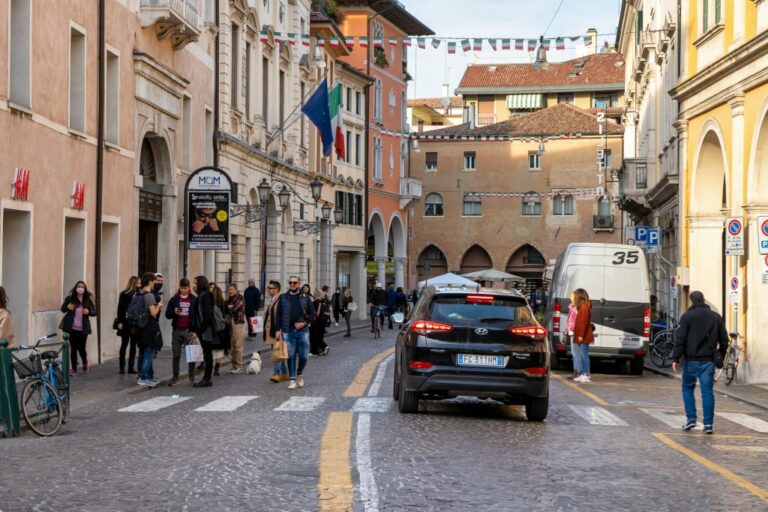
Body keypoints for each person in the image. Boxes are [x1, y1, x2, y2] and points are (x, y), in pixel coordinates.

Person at [672, 291, 728, 434]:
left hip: (691, 361)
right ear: (704, 300)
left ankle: (691, 419)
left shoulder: (687, 317)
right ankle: (708, 425)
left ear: (692, 301)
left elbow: (681, 339)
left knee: (687, 389)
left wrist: (675, 358)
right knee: (707, 392)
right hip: (708, 361)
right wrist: (720, 355)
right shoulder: (716, 317)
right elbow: (724, 340)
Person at [275, 276, 315, 390]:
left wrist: (304, 323)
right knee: (291, 355)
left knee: (303, 356)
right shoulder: (283, 297)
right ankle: (292, 379)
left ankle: (300, 373)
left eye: (295, 283)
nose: (292, 284)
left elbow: (312, 314)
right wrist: (278, 330)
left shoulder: (305, 297)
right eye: (290, 282)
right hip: (288, 331)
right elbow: (278, 315)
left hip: (303, 331)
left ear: (299, 283)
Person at [60, 281, 97, 376]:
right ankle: (74, 370)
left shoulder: (87, 300)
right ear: (76, 288)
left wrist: (88, 311)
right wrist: (67, 307)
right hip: (72, 328)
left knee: (81, 349)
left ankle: (85, 362)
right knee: (73, 349)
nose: (80, 288)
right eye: (79, 286)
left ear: (85, 289)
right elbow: (62, 309)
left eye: (82, 287)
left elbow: (94, 312)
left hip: (83, 329)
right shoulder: (70, 299)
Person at [165, 278, 196, 386]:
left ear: (189, 288)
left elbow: (197, 316)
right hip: (177, 330)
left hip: (189, 330)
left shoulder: (193, 299)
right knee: (176, 355)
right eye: (182, 288)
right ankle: (175, 377)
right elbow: (167, 314)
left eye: (186, 288)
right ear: (179, 287)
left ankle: (192, 377)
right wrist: (174, 312)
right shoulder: (174, 299)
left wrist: (195, 330)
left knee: (191, 355)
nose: (184, 290)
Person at [136, 273, 163, 386]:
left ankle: (147, 376)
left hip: (141, 326)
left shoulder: (138, 294)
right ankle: (143, 377)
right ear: (150, 282)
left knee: (146, 351)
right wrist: (159, 306)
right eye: (154, 281)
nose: (155, 283)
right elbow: (153, 313)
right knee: (149, 352)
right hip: (149, 327)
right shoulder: (149, 295)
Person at [191, 275, 215, 387]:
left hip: (206, 330)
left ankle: (207, 378)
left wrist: (200, 329)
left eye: (195, 283)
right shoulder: (201, 296)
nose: (193, 285)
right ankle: (207, 378)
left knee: (207, 354)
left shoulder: (204, 296)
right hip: (204, 329)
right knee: (207, 354)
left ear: (200, 284)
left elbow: (208, 315)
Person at [264, 280, 288, 382]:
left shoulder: (281, 299)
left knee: (276, 351)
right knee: (278, 350)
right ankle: (284, 373)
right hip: (271, 331)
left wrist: (280, 330)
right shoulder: (273, 299)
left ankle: (276, 373)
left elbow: (283, 316)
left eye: (270, 288)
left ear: (276, 289)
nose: (267, 290)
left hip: (277, 331)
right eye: (267, 288)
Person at [116, 275, 140, 374]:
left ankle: (131, 367)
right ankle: (122, 367)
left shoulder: (140, 294)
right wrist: (120, 322)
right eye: (138, 283)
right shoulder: (124, 294)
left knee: (133, 345)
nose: (140, 285)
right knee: (124, 344)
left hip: (135, 323)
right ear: (134, 283)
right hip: (126, 323)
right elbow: (120, 309)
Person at [571, 288, 594, 383]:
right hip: (583, 335)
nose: (572, 299)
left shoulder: (584, 307)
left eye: (574, 297)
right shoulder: (584, 306)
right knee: (582, 354)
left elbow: (583, 322)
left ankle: (586, 374)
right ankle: (584, 374)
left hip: (583, 336)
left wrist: (580, 335)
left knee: (583, 355)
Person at [210, 283, 230, 376]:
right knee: (220, 350)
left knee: (211, 349)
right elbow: (227, 316)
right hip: (222, 330)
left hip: (212, 329)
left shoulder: (210, 304)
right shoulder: (223, 303)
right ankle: (217, 368)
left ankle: (210, 366)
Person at [227, 283, 245, 374]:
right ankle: (234, 366)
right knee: (232, 345)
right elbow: (226, 309)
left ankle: (238, 365)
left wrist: (230, 307)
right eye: (229, 289)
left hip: (238, 323)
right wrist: (229, 307)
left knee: (238, 344)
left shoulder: (240, 297)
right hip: (231, 323)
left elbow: (235, 309)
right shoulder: (229, 299)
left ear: (236, 289)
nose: (230, 291)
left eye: (232, 289)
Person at [310, 288, 330, 356]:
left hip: (316, 321)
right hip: (320, 322)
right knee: (318, 336)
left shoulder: (317, 302)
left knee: (314, 337)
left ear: (317, 294)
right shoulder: (320, 301)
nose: (314, 293)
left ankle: (316, 351)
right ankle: (322, 348)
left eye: (315, 292)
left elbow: (317, 313)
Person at [566, 297, 580, 379]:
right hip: (572, 332)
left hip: (575, 333)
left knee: (576, 353)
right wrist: (566, 332)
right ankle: (576, 371)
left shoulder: (576, 309)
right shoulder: (572, 308)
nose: (571, 299)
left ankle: (577, 372)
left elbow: (574, 322)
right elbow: (569, 322)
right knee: (575, 353)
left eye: (573, 297)